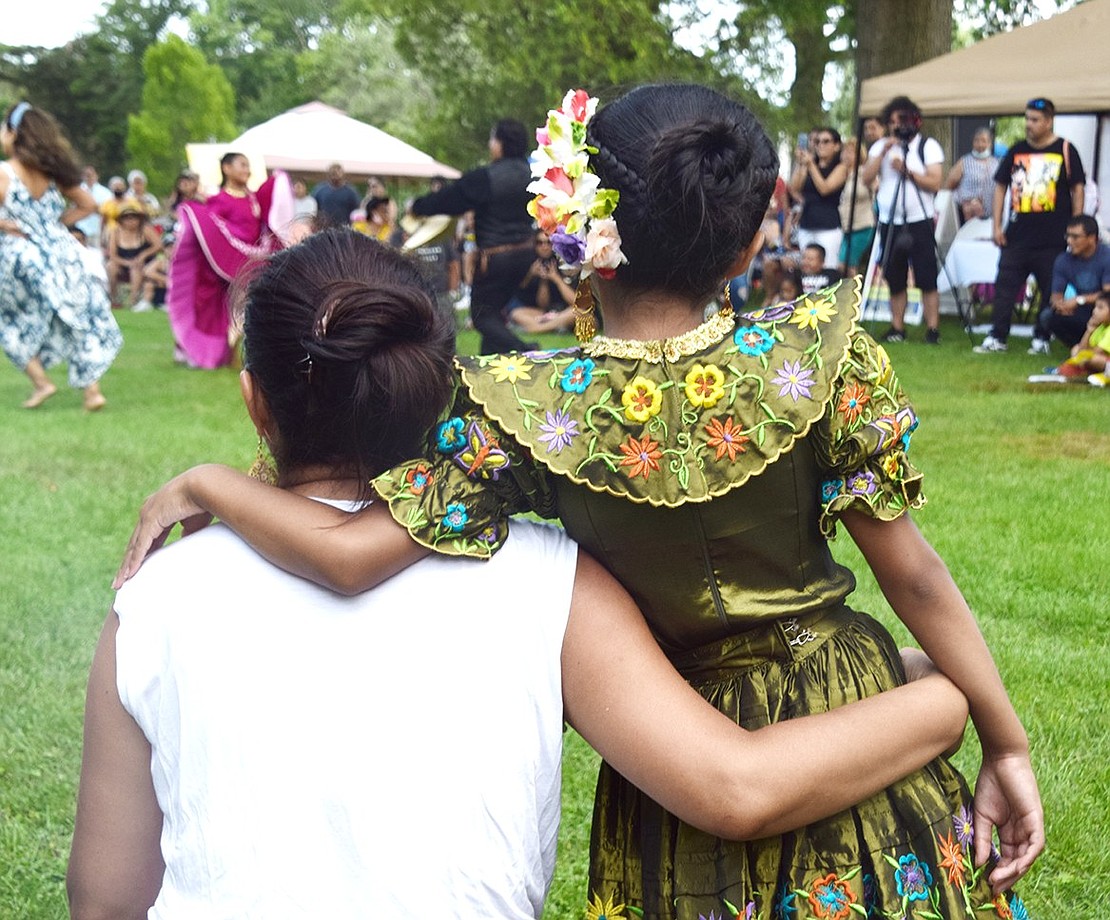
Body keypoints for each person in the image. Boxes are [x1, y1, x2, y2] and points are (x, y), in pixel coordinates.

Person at [116, 87, 1042, 920]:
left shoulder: (530, 406)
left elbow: (352, 555)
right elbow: (913, 576)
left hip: (674, 733)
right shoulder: (820, 359)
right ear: (752, 241)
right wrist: (1005, 743)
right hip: (845, 698)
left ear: (580, 226)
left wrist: (210, 483)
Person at [0, 102, 121, 411]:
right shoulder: (56, 173)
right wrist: (54, 225)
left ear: (14, 135)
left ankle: (42, 382)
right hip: (62, 252)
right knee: (76, 315)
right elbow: (88, 205)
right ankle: (92, 392)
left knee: (8, 322)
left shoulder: (5, 173)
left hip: (22, 254)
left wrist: (6, 224)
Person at [409, 118, 535, 353]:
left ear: (500, 144)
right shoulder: (534, 174)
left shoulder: (487, 177)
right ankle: (491, 362)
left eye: (492, 138)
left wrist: (417, 206)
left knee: (482, 316)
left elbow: (448, 199)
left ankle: (525, 348)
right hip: (527, 254)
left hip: (497, 258)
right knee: (494, 312)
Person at [975, 97, 1086, 356]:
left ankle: (1041, 337)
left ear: (1049, 121)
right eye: (1027, 119)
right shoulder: (1016, 150)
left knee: (1050, 289)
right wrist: (997, 226)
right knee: (1005, 286)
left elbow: (1077, 188)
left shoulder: (1065, 149)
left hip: (1053, 237)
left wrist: (1075, 228)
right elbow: (1001, 186)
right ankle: (997, 336)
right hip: (1017, 236)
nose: (1028, 124)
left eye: (1034, 120)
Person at [168, 151, 292, 369]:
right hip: (219, 268)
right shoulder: (218, 200)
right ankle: (207, 352)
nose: (247, 170)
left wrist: (277, 178)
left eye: (248, 166)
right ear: (226, 168)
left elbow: (265, 206)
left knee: (248, 306)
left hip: (249, 263)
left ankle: (247, 352)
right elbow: (211, 231)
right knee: (214, 308)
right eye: (242, 165)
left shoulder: (252, 199)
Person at [863, 96, 944, 345]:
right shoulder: (880, 147)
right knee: (894, 276)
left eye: (902, 120)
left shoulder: (927, 146)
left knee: (926, 275)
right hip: (889, 221)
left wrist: (908, 171)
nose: (897, 126)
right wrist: (882, 153)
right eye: (892, 121)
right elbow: (866, 177)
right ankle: (897, 327)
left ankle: (932, 328)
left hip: (920, 219)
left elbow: (935, 182)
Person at [1040, 214, 1110, 351]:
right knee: (1048, 316)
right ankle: (1080, 348)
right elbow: (1056, 295)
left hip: (1104, 308)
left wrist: (1079, 300)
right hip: (1080, 311)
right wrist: (1060, 305)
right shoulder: (1063, 260)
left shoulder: (1106, 257)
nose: (1070, 241)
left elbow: (1108, 293)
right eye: (1068, 236)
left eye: (1075, 237)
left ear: (1092, 238)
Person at [790, 126, 846, 267]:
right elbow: (794, 188)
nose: (821, 145)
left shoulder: (840, 168)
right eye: (817, 141)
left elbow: (825, 188)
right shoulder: (810, 164)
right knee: (807, 268)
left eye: (826, 141)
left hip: (829, 226)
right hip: (807, 224)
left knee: (827, 267)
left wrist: (811, 165)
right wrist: (801, 163)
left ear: (836, 146)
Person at [505, 231, 576, 334]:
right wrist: (542, 280)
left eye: (548, 243)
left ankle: (538, 328)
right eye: (540, 243)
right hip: (546, 313)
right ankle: (556, 326)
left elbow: (576, 303)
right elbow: (543, 305)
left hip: (565, 310)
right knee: (517, 314)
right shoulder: (532, 263)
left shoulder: (564, 263)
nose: (544, 247)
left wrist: (556, 279)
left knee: (577, 312)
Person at [105, 201, 161, 310]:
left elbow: (158, 245)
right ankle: (113, 297)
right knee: (110, 266)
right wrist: (127, 263)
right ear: (121, 220)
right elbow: (112, 255)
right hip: (123, 263)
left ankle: (133, 300)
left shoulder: (145, 230)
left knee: (136, 269)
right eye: (127, 218)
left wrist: (144, 254)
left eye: (134, 217)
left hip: (143, 264)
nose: (131, 221)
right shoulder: (115, 232)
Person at [1052, 289, 1110, 383]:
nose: (1094, 311)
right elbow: (1082, 349)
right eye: (1095, 307)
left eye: (1100, 308)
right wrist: (1089, 331)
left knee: (1094, 359)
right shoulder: (1100, 327)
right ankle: (1091, 371)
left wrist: (1081, 357)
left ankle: (1104, 373)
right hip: (1098, 358)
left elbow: (1097, 352)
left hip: (1102, 359)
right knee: (1076, 349)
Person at [837, 137, 876, 275]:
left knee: (848, 265)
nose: (846, 155)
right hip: (847, 226)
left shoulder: (864, 173)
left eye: (850, 152)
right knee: (843, 265)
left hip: (862, 225)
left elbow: (876, 188)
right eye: (844, 151)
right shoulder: (845, 175)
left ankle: (853, 295)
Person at [945, 127, 999, 225]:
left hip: (991, 215)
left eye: (983, 141)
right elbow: (949, 186)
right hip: (969, 213)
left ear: (990, 143)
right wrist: (965, 202)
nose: (980, 144)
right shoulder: (964, 162)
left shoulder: (995, 163)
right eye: (976, 141)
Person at [311, 162, 360, 228]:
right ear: (328, 174)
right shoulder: (319, 190)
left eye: (337, 172)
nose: (335, 175)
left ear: (343, 174)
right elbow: (313, 209)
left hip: (344, 229)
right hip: (323, 229)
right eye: (333, 173)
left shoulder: (351, 192)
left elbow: (356, 211)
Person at [75, 165, 112, 249]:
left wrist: (94, 208)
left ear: (96, 176)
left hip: (98, 230)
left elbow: (108, 211)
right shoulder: (78, 191)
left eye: (91, 175)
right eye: (86, 175)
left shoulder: (105, 192)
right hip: (81, 230)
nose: (89, 177)